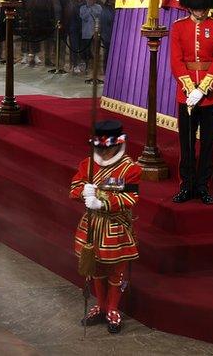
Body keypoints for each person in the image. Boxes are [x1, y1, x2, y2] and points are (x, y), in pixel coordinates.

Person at [70, 120, 141, 334]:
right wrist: (84, 192)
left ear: (116, 146)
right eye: (101, 148)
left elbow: (131, 196)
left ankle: (112, 308)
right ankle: (100, 305)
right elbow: (74, 186)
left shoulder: (130, 168)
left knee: (115, 270)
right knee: (95, 269)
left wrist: (103, 201)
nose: (104, 152)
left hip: (115, 224)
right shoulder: (87, 164)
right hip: (91, 224)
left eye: (107, 148)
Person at [169, 0, 213, 205]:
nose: (200, 10)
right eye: (197, 6)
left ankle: (203, 185)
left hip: (210, 95)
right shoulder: (178, 28)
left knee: (206, 144)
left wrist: (203, 89)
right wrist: (189, 88)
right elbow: (176, 61)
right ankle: (187, 185)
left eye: (203, 6)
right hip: (186, 94)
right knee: (186, 143)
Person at [79, 0, 103, 72]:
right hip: (86, 33)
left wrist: (92, 10)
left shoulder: (99, 7)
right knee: (87, 51)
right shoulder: (82, 8)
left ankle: (96, 67)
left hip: (95, 33)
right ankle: (87, 66)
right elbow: (83, 17)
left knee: (96, 51)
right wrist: (89, 9)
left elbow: (99, 17)